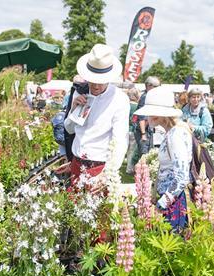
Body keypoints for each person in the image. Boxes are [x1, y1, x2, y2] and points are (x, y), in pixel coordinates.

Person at [63, 44, 130, 185]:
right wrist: (73, 110)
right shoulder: (80, 92)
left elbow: (120, 140)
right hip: (76, 162)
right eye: (92, 80)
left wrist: (108, 173)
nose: (96, 86)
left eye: (101, 81)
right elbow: (69, 129)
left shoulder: (119, 99)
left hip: (100, 167)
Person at [133, 87, 192, 232]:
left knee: (171, 246)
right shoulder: (171, 133)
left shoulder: (176, 134)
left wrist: (163, 202)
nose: (146, 118)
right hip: (169, 198)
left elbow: (181, 176)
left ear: (161, 114)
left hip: (173, 201)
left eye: (150, 113)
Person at [133, 76, 161, 164]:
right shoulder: (146, 97)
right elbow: (142, 117)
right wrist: (143, 134)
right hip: (143, 131)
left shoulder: (149, 96)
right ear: (148, 86)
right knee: (145, 156)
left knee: (147, 155)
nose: (157, 89)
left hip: (148, 130)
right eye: (155, 87)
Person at [126, 87, 140, 175]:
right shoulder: (137, 107)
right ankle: (129, 168)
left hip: (124, 130)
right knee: (131, 151)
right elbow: (134, 120)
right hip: (132, 130)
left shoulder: (125, 105)